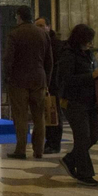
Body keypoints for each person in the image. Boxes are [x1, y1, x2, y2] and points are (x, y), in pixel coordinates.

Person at [54, 24, 98, 186]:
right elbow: (67, 79)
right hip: (74, 101)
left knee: (94, 135)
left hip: (90, 100)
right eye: (87, 40)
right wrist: (91, 76)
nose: (90, 43)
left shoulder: (88, 54)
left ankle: (70, 159)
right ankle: (84, 173)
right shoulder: (68, 55)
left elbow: (92, 73)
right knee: (82, 137)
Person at [3, 6, 53, 159]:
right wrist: (47, 80)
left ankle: (21, 149)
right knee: (39, 116)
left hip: (19, 80)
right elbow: (49, 61)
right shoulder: (43, 34)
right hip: (39, 78)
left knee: (20, 116)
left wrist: (7, 76)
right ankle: (39, 150)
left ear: (19, 17)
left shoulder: (14, 34)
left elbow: (8, 59)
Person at [36, 18, 63, 154]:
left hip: (53, 84)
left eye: (42, 25)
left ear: (48, 26)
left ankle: (54, 143)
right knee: (45, 113)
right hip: (42, 83)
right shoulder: (38, 41)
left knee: (53, 113)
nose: (40, 28)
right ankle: (48, 142)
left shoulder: (56, 43)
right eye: (37, 26)